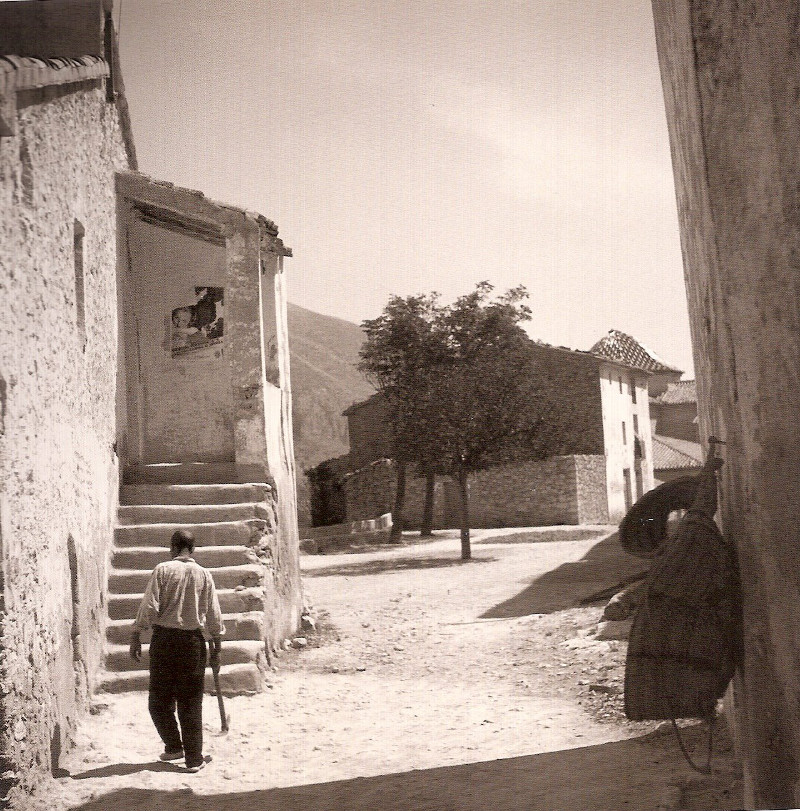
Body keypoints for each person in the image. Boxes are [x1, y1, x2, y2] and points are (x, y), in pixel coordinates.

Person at [129, 529, 224, 772]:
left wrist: (136, 634)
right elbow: (213, 614)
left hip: (164, 642)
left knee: (158, 701)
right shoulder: (204, 574)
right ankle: (190, 756)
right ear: (192, 550)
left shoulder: (162, 570)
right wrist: (217, 646)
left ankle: (174, 745)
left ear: (173, 547)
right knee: (190, 701)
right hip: (193, 643)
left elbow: (150, 605)